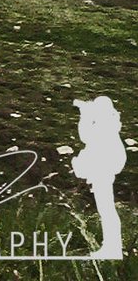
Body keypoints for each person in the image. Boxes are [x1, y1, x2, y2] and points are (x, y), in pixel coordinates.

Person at [73, 96, 126, 260]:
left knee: (107, 210)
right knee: (107, 210)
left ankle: (112, 248)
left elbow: (85, 136)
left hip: (102, 174)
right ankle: (111, 246)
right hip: (104, 173)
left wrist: (84, 115)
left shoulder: (104, 128)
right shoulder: (110, 126)